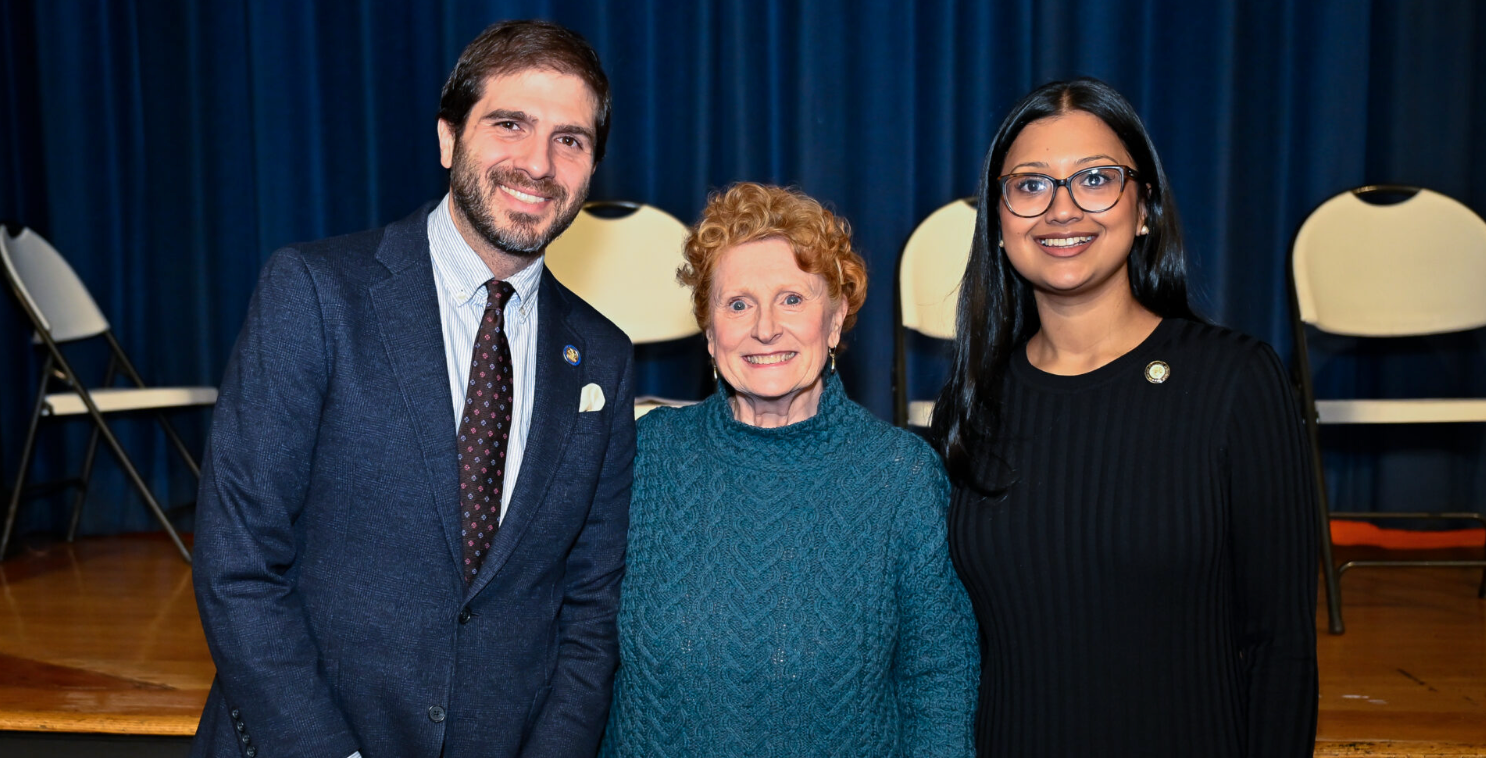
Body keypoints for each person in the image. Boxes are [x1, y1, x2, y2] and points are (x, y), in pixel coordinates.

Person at [190, 20, 634, 758]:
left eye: (571, 140)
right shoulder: (316, 293)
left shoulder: (603, 360)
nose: (538, 163)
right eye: (509, 124)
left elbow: (591, 612)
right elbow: (238, 565)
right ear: (446, 139)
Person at [931, 78, 1318, 757]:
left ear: (1144, 209)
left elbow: (1279, 647)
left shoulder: (1234, 382)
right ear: (997, 221)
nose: (1061, 208)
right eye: (1029, 186)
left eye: (1096, 179)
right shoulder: (972, 401)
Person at [599, 182, 978, 758]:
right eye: (738, 303)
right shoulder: (643, 458)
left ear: (834, 321)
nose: (766, 328)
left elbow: (940, 683)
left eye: (793, 299)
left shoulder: (900, 478)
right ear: (709, 331)